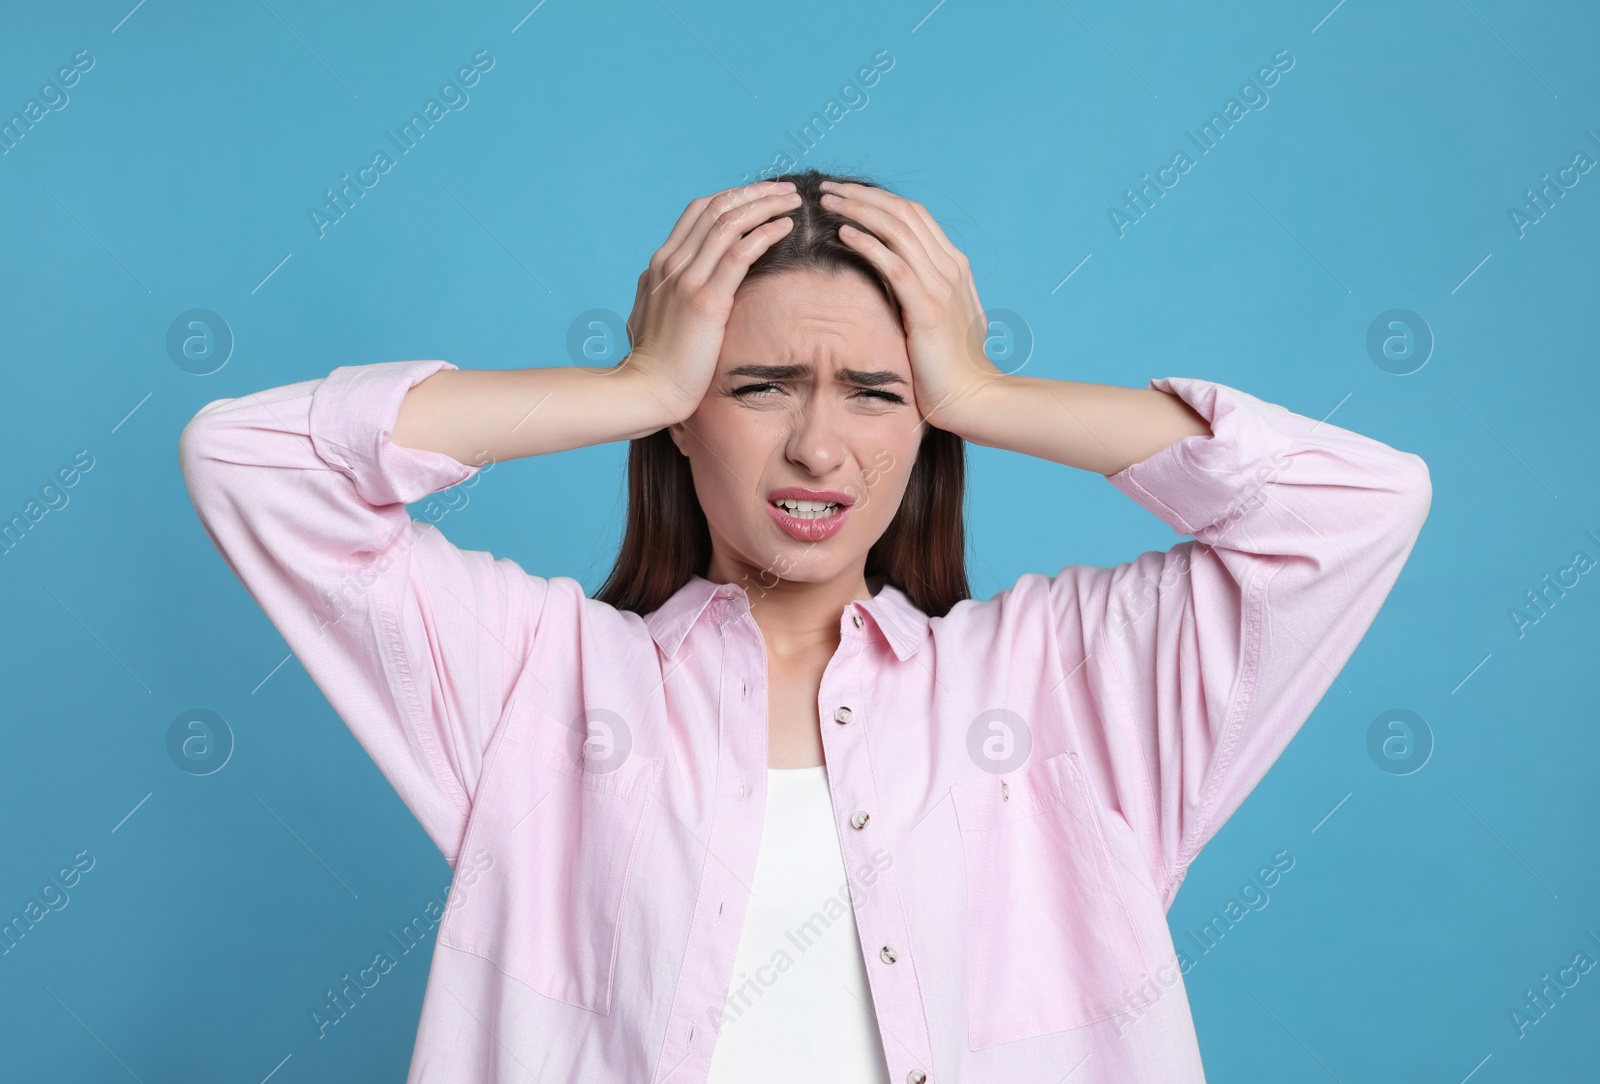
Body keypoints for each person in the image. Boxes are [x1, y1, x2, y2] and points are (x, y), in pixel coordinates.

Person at [178, 168, 1431, 1083]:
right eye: (759, 385)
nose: (819, 446)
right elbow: (249, 462)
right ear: (685, 415)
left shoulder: (1058, 691)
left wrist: (985, 390)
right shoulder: (537, 684)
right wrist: (631, 384)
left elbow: (1358, 504)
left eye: (878, 394)